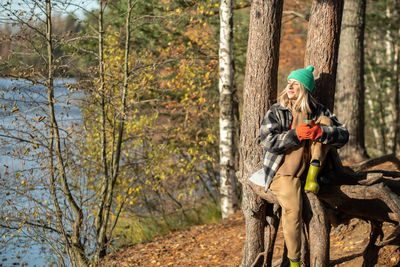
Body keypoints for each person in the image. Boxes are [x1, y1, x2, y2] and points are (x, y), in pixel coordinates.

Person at [250, 66, 349, 267]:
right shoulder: (277, 111)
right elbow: (266, 140)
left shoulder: (318, 110)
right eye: (289, 83)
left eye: (295, 83)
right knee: (293, 212)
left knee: (324, 123)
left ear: (304, 88)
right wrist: (296, 135)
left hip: (310, 170)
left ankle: (313, 174)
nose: (290, 87)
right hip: (282, 173)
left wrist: (320, 133)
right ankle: (294, 262)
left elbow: (343, 134)